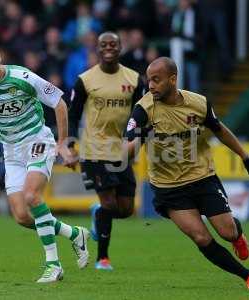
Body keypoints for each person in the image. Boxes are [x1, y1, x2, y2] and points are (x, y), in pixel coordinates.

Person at [0, 37, 90, 283]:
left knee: (32, 196)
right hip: (11, 151)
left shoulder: (23, 78)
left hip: (37, 140)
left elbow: (59, 103)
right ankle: (75, 234)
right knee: (22, 216)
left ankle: (53, 265)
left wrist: (63, 143)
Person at [125, 56, 249, 290]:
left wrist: (245, 157)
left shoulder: (198, 103)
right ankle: (248, 276)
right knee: (202, 237)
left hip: (202, 177)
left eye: (156, 80)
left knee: (227, 231)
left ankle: (237, 236)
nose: (151, 85)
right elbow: (129, 144)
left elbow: (220, 130)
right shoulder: (143, 109)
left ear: (172, 79)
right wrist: (132, 145)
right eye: (148, 80)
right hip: (168, 188)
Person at [68, 32, 145, 270]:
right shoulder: (85, 79)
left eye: (113, 44)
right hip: (94, 151)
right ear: (97, 49)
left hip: (122, 152)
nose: (109, 48)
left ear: (121, 48)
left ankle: (97, 213)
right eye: (104, 45)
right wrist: (69, 146)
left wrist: (137, 142)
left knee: (125, 209)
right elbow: (73, 114)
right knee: (110, 204)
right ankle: (103, 259)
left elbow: (141, 116)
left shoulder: (134, 79)